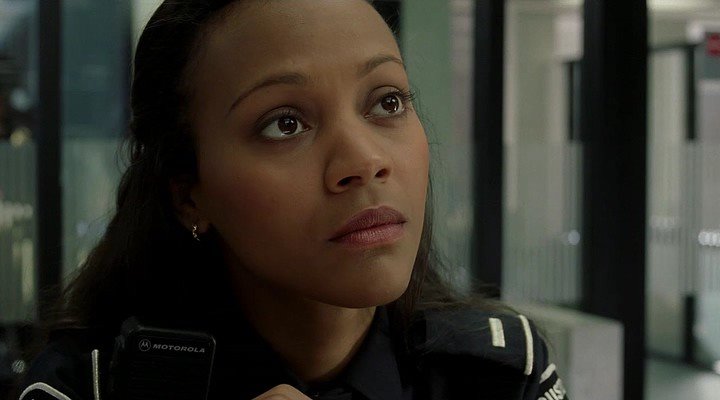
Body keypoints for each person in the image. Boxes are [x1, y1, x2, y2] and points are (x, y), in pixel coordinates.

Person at [18, 1, 568, 399]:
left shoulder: (498, 375)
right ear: (189, 195)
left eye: (387, 102)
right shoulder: (87, 387)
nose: (364, 161)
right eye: (284, 124)